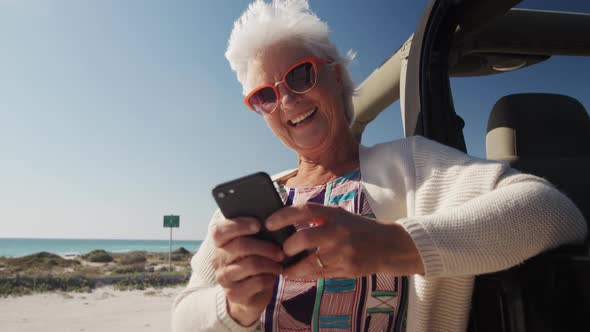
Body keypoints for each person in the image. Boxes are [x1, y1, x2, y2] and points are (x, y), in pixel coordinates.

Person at [172, 1, 587, 331]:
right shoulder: (246, 210)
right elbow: (183, 316)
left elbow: (552, 212)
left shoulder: (410, 162)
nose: (287, 101)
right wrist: (233, 306)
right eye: (265, 96)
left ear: (336, 77)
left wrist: (394, 246)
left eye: (300, 76)